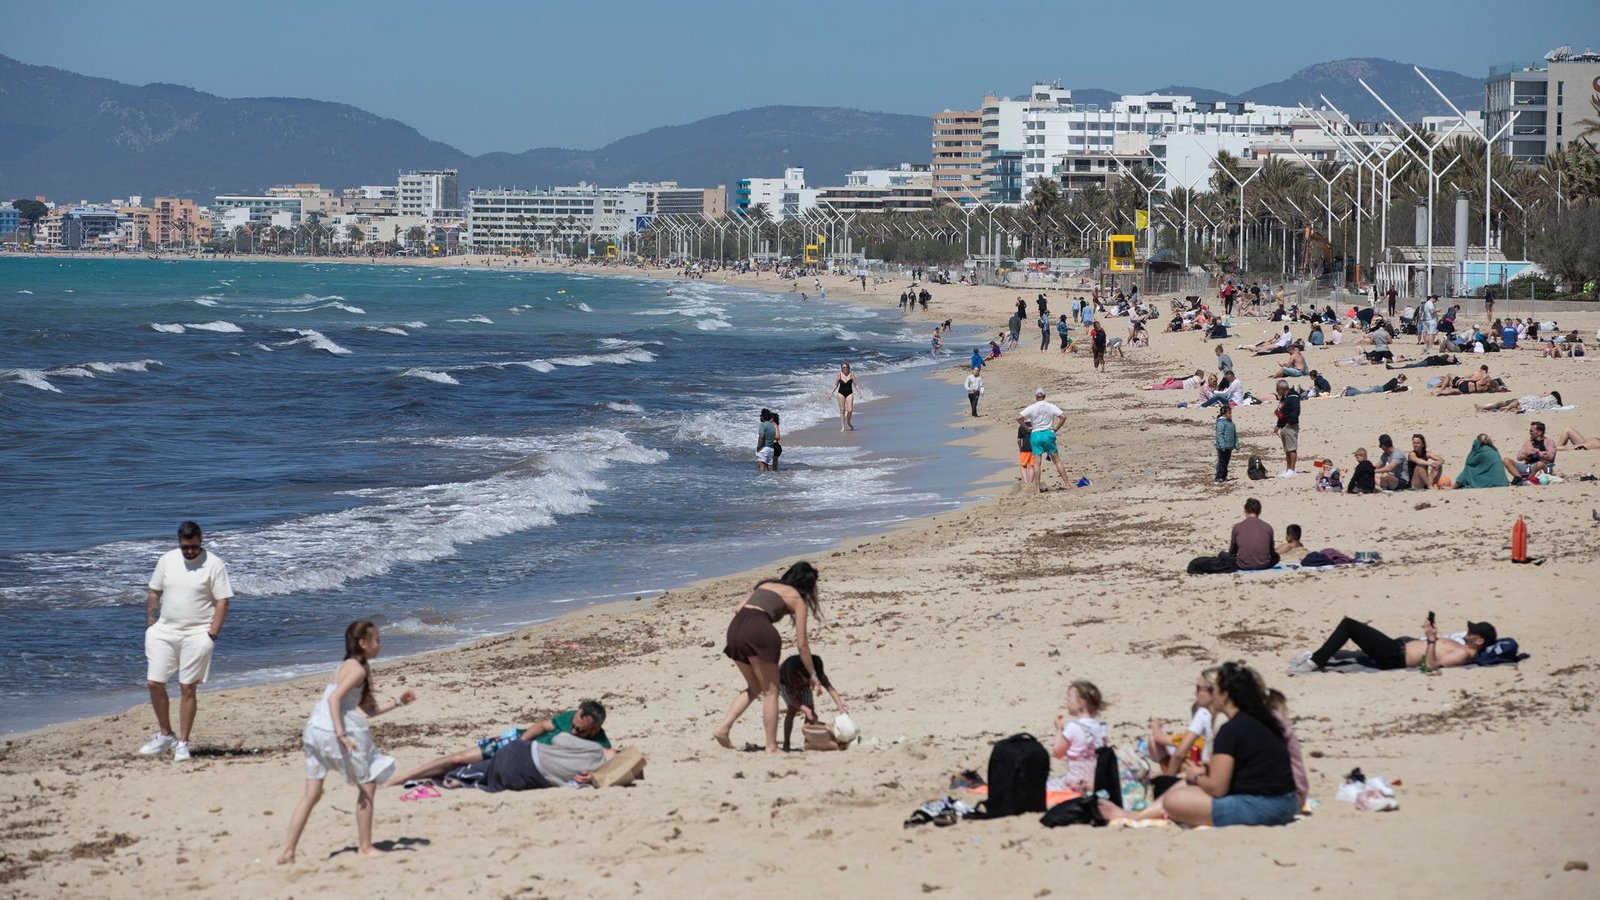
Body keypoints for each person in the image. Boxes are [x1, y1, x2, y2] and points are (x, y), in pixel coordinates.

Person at [278, 620, 415, 864]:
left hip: (314, 730)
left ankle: (288, 851)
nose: (380, 644)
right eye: (377, 640)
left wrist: (399, 702)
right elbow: (335, 701)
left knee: (312, 793)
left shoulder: (346, 666)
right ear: (363, 643)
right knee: (368, 784)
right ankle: (365, 847)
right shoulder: (358, 670)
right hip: (334, 731)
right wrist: (342, 735)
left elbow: (370, 710)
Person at [1102, 662, 1298, 827]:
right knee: (1185, 785)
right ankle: (1137, 816)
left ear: (1225, 695)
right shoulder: (1259, 720)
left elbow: (1217, 789)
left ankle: (1135, 816)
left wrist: (1195, 775)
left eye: (1215, 690)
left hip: (1264, 808)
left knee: (1174, 800)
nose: (1212, 696)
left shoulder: (1231, 729)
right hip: (1286, 803)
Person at [140, 521, 235, 762]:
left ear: (200, 540)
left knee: (187, 687)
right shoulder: (167, 560)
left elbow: (223, 601)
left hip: (197, 634)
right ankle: (165, 734)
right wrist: (151, 625)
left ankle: (183, 742)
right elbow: (154, 592)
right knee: (154, 682)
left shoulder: (214, 564)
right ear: (179, 543)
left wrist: (212, 634)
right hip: (164, 631)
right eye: (185, 547)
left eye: (193, 547)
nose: (189, 552)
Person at [714, 562, 823, 754]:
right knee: (771, 692)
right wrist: (813, 673)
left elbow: (738, 608)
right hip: (760, 631)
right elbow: (802, 644)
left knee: (754, 687)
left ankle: (723, 728)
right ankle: (771, 747)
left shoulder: (765, 584)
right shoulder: (797, 599)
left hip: (735, 629)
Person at [389, 701, 609, 787]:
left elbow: (612, 764)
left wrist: (592, 777)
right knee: (457, 759)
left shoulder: (600, 743)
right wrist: (518, 743)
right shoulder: (572, 717)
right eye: (574, 724)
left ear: (595, 729)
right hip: (517, 742)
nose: (573, 730)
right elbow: (542, 726)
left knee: (465, 770)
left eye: (580, 731)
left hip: (528, 763)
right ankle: (400, 780)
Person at [1289, 616, 1497, 673]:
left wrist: (1431, 638)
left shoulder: (1464, 655)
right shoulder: (1461, 645)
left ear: (1479, 641)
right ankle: (1316, 657)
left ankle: (1314, 663)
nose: (1468, 632)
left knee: (1349, 626)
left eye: (1473, 632)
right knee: (1353, 633)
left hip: (1394, 657)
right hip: (1397, 647)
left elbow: (1431, 666)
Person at [1146, 667, 1218, 777]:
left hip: (1207, 773)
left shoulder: (1203, 714)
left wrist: (1155, 725)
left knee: (1154, 742)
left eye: (1199, 688)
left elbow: (1179, 753)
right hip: (1210, 769)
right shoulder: (1228, 715)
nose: (1195, 692)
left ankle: (1168, 777)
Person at [1050, 681, 1108, 793]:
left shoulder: (1073, 727)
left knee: (1046, 786)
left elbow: (1057, 753)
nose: (1067, 700)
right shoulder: (1100, 728)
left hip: (1074, 783)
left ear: (1080, 702)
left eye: (1069, 697)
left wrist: (1059, 729)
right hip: (1095, 783)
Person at [780, 654, 847, 751]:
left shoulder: (816, 673)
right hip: (784, 682)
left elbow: (830, 689)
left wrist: (842, 709)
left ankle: (808, 741)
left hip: (802, 681)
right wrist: (806, 710)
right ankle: (786, 743)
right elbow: (792, 699)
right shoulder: (791, 674)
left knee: (811, 709)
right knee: (792, 709)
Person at [1018, 388, 1070, 492]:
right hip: (1048, 433)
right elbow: (1063, 417)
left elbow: (1019, 417)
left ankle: (1037, 489)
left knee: (1037, 462)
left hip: (1036, 434)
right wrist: (1056, 428)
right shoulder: (1050, 406)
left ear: (1036, 397)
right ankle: (1067, 484)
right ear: (1044, 396)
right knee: (1057, 460)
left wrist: (1027, 428)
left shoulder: (1032, 407)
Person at [1229, 498, 1278, 571]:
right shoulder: (1268, 527)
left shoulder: (1237, 527)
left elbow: (1233, 551)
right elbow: (1271, 551)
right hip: (1264, 565)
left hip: (1243, 566)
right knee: (1277, 557)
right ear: (1260, 511)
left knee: (1224, 556)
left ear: (1245, 511)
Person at [1272, 380, 1300, 477]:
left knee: (1292, 448)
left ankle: (1292, 470)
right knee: (1287, 449)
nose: (1277, 391)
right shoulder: (1284, 398)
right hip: (1284, 426)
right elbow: (1282, 413)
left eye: (1278, 389)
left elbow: (1296, 411)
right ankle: (1288, 469)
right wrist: (1278, 425)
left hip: (1290, 426)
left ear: (1283, 389)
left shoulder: (1293, 397)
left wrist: (1289, 423)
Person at [1476, 391, 1564, 413]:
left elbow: (1541, 395)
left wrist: (1543, 394)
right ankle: (1490, 409)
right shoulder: (1554, 404)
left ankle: (1485, 407)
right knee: (1516, 407)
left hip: (1532, 400)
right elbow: (1559, 407)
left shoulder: (1550, 397)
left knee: (1505, 403)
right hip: (1532, 405)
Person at [1214, 405, 1238, 484]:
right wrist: (1222, 445)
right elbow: (1219, 435)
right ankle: (1219, 477)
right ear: (1224, 414)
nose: (1230, 415)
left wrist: (1236, 444)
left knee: (1226, 462)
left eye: (1231, 413)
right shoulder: (1221, 423)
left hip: (1229, 446)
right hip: (1222, 447)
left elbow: (1235, 434)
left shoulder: (1231, 423)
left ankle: (1224, 476)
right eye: (1229, 413)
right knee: (1222, 462)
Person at [830, 362, 857, 431]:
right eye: (843, 367)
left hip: (849, 393)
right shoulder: (839, 375)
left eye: (846, 367)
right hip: (841, 394)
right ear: (842, 368)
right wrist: (831, 393)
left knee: (850, 410)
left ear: (848, 367)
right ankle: (843, 427)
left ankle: (848, 422)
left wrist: (860, 393)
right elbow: (835, 385)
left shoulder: (851, 375)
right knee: (842, 410)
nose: (845, 368)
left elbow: (856, 384)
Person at [1017, 422, 1037, 489]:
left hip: (1025, 448)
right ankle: (1030, 482)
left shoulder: (1022, 426)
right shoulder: (1035, 425)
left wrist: (1020, 448)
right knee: (1032, 466)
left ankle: (1026, 482)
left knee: (1023, 465)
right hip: (1034, 448)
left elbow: (1019, 439)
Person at [757, 408, 777, 472]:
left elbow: (761, 436)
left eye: (760, 415)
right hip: (771, 448)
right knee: (770, 469)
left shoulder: (762, 425)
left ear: (762, 416)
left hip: (763, 448)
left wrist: (759, 446)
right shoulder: (772, 425)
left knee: (761, 469)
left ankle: (761, 481)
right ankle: (771, 481)